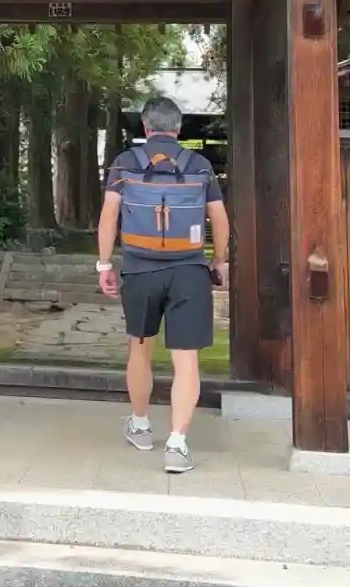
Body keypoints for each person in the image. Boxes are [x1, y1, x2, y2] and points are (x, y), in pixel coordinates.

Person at [96, 96, 229, 474]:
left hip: (140, 270)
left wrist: (105, 264)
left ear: (145, 125)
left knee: (139, 350)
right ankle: (177, 444)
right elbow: (220, 219)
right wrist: (218, 262)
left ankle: (140, 426)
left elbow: (109, 216)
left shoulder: (125, 163)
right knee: (186, 359)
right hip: (188, 271)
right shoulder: (199, 166)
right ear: (179, 128)